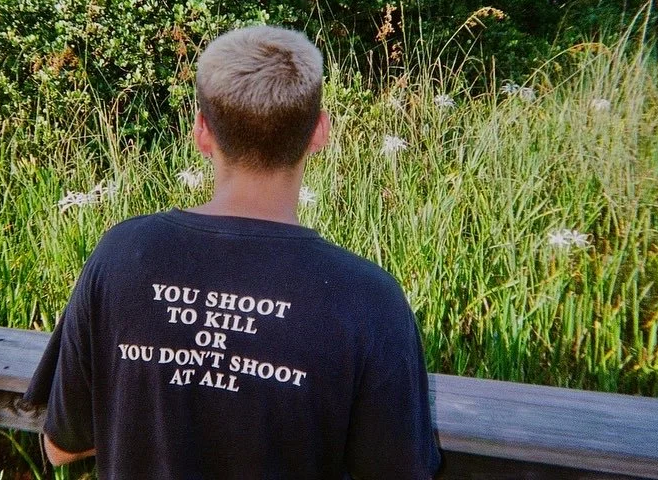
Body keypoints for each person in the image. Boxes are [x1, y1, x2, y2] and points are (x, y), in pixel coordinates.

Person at [23, 25, 441, 479]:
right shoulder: (369, 297)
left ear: (202, 133)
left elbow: (62, 444)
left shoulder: (122, 255)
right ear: (319, 132)